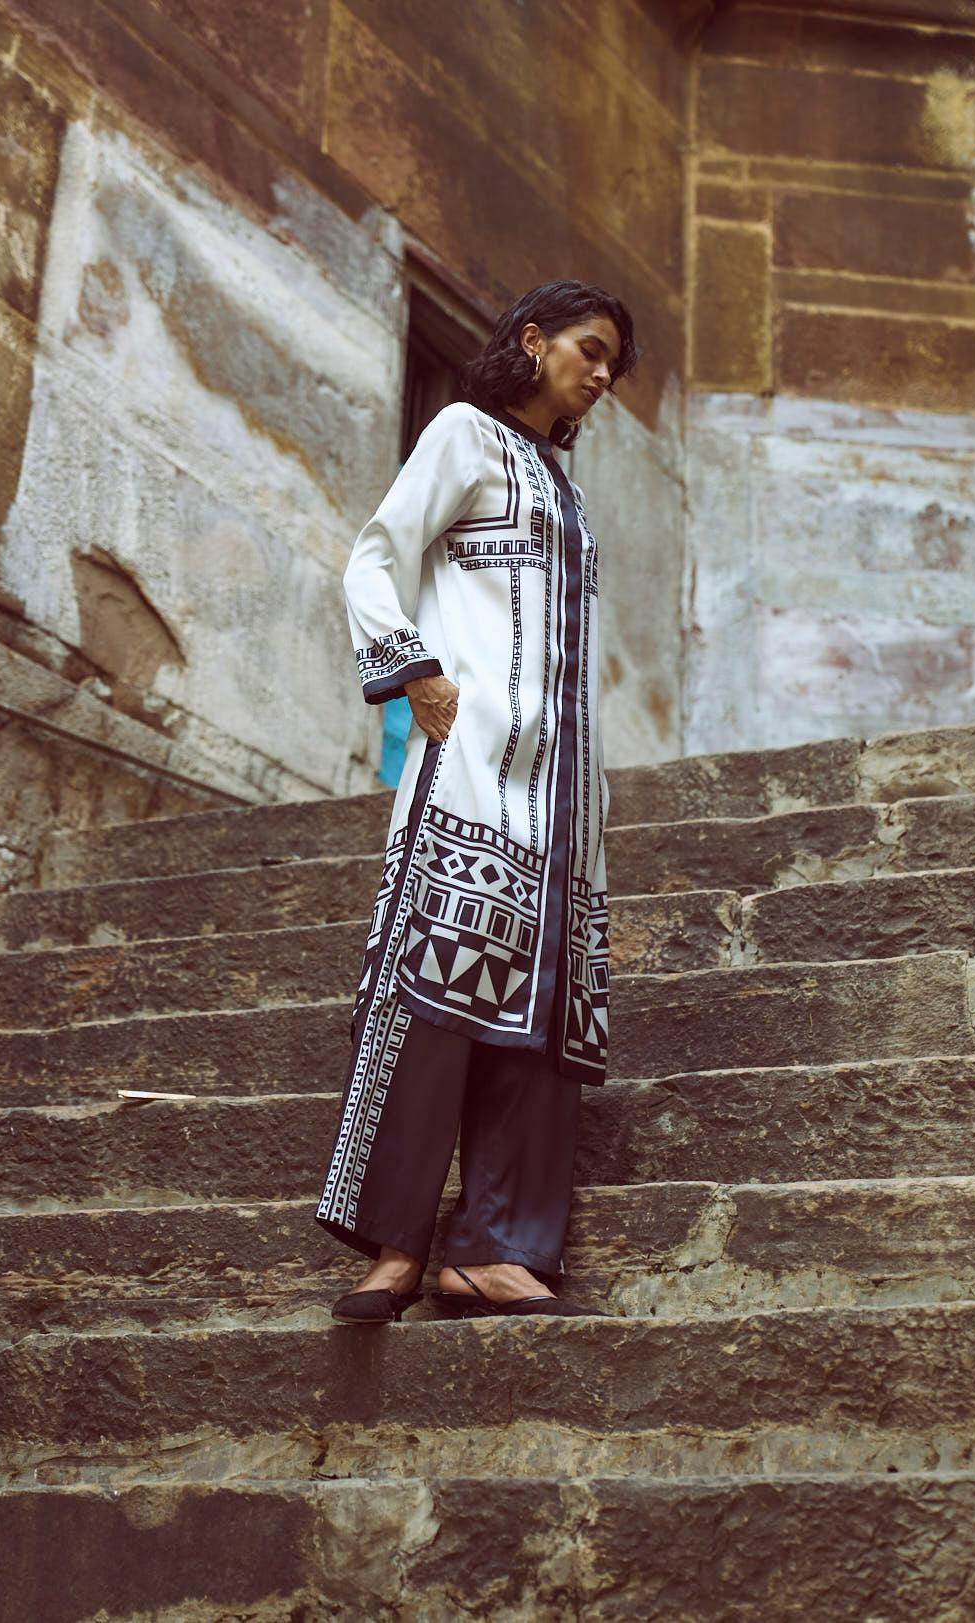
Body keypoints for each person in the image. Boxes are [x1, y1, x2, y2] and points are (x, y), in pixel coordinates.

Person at [313, 278, 639, 1323]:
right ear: (532, 340)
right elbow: (375, 557)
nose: (601, 374)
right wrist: (414, 671)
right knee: (431, 988)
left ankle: (495, 1249)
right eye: (590, 349)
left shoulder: (566, 493)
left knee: (541, 1016)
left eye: (613, 364)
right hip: (471, 762)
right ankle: (396, 1246)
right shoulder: (462, 434)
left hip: (563, 796)